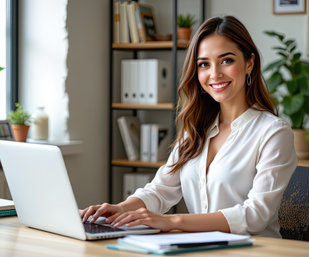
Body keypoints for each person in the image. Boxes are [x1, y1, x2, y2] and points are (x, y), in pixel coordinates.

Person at [81, 15, 297, 237]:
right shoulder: (195, 129)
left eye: (226, 60)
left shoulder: (273, 132)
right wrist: (121, 208)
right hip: (201, 248)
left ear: (249, 63)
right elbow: (162, 189)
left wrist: (171, 221)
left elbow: (255, 215)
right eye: (204, 64)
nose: (215, 74)